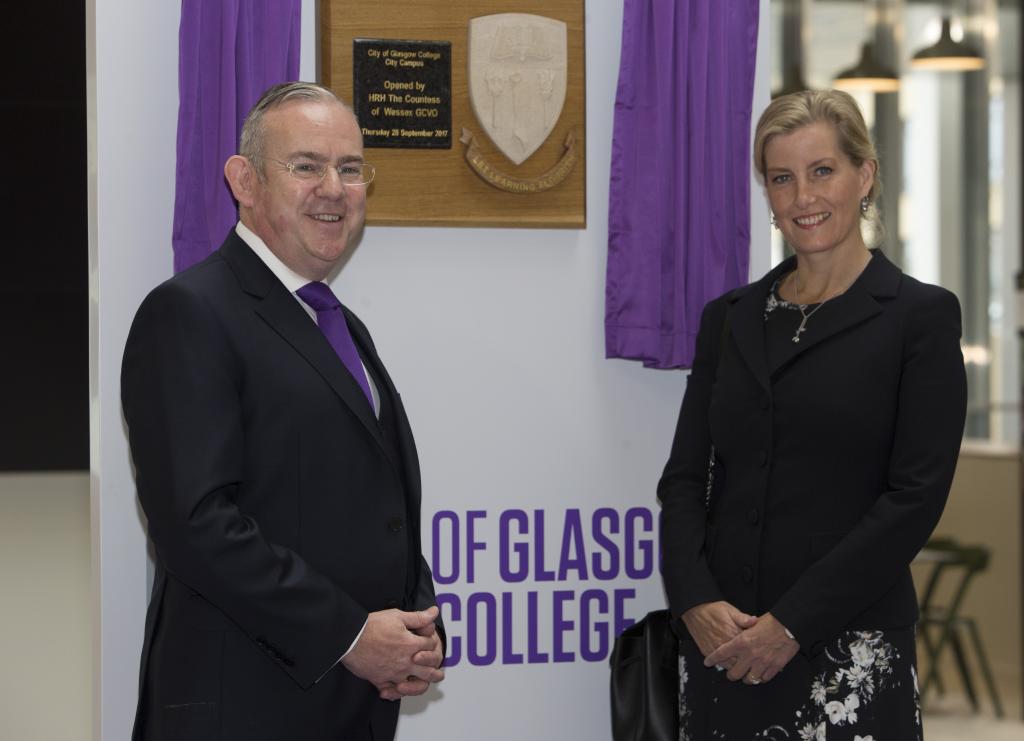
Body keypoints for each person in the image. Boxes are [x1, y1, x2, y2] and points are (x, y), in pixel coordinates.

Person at [121, 82, 444, 741]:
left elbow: (376, 502)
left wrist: (410, 626)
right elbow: (197, 524)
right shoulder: (190, 312)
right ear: (244, 180)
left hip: (347, 706)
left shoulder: (340, 325)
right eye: (306, 165)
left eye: (350, 169)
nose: (334, 188)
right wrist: (352, 634)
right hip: (242, 709)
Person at [658, 89, 966, 740]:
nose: (804, 197)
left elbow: (913, 498)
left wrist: (792, 622)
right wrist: (693, 599)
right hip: (725, 650)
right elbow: (685, 479)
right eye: (782, 178)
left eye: (822, 170)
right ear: (766, 193)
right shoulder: (730, 319)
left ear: (865, 175)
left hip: (848, 654)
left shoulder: (919, 318)